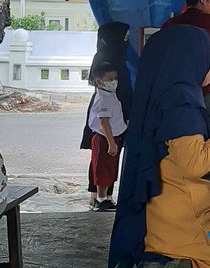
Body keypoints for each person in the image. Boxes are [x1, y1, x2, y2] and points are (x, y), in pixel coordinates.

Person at [108, 25, 210, 268]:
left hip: (172, 216)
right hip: (189, 225)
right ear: (190, 56)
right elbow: (193, 164)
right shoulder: (181, 103)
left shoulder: (174, 97)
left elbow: (182, 150)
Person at [80, 21, 132, 209]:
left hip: (114, 117)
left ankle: (102, 196)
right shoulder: (108, 61)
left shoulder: (107, 57)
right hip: (108, 119)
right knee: (102, 159)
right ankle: (99, 197)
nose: (126, 40)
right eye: (124, 37)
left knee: (107, 159)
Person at [162, 0, 210, 122]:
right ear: (203, 1)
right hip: (209, 93)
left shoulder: (171, 24)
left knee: (181, 134)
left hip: (177, 95)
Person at [87, 62, 127, 212]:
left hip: (111, 138)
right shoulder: (103, 98)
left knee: (108, 169)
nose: (114, 82)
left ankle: (103, 198)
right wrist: (111, 143)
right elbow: (104, 122)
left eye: (115, 78)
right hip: (105, 139)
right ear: (99, 81)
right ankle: (101, 199)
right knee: (103, 169)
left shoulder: (109, 94)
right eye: (110, 79)